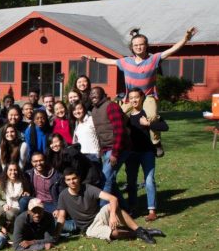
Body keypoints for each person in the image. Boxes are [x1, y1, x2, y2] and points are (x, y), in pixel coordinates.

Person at [83, 26, 196, 156]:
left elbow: (171, 50)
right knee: (118, 117)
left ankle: (156, 142)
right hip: (130, 98)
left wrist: (185, 38)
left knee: (151, 116)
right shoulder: (126, 62)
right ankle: (121, 143)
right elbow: (110, 61)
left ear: (146, 45)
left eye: (141, 44)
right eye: (136, 45)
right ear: (132, 47)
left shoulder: (153, 59)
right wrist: (93, 59)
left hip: (148, 96)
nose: (138, 47)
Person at [55, 169, 164, 244]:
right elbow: (61, 217)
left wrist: (112, 216)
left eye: (74, 178)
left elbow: (113, 199)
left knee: (110, 206)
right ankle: (138, 233)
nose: (72, 182)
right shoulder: (63, 195)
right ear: (65, 181)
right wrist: (56, 235)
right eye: (68, 180)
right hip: (89, 228)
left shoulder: (88, 188)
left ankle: (140, 231)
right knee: (114, 233)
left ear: (78, 178)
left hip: (99, 216)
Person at [125, 88, 169, 221]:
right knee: (131, 182)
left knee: (149, 180)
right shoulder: (127, 116)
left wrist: (148, 123)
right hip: (131, 154)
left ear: (142, 98)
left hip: (147, 153)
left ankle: (152, 211)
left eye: (136, 97)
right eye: (131, 98)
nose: (134, 100)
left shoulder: (148, 113)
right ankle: (132, 208)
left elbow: (165, 126)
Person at [90, 87, 131, 204]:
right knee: (110, 179)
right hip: (106, 149)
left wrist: (115, 153)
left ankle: (103, 209)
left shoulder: (111, 106)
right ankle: (124, 208)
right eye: (91, 94)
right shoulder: (94, 110)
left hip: (118, 148)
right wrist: (101, 149)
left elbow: (119, 130)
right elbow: (99, 132)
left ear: (103, 94)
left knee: (106, 178)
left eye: (96, 93)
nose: (93, 95)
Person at [0, 162, 32, 231]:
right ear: (6, 171)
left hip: (17, 206)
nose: (13, 172)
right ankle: (4, 226)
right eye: (10, 170)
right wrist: (4, 204)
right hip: (5, 203)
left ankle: (12, 227)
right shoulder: (1, 182)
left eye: (15, 170)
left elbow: (28, 194)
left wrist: (26, 194)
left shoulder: (23, 182)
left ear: (18, 171)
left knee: (11, 214)